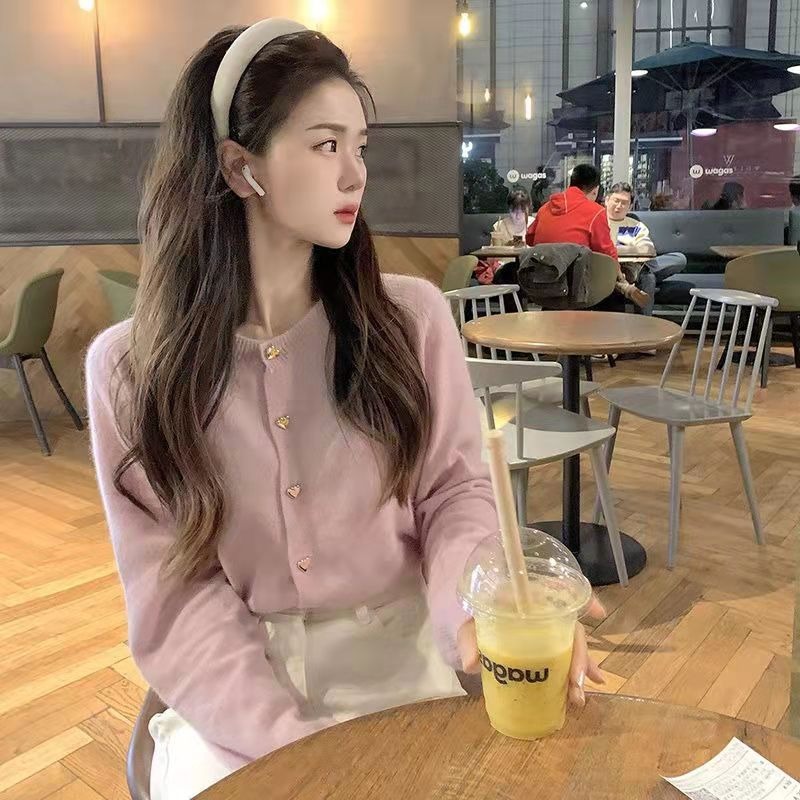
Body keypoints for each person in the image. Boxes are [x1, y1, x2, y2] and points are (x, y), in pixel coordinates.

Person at [84, 19, 602, 800]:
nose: (356, 173)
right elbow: (175, 596)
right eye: (326, 145)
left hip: (403, 663)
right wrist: (296, 750)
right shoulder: (131, 372)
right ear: (239, 167)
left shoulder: (411, 321)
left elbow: (455, 494)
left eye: (360, 146)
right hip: (236, 696)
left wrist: (477, 607)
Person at [526, 163, 648, 308]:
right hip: (578, 293)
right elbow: (607, 252)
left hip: (544, 286)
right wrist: (620, 277)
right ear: (595, 190)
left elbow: (530, 239)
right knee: (613, 291)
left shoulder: (544, 209)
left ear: (571, 182)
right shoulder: (596, 212)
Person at [605, 182, 687, 316]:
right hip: (611, 267)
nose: (619, 206)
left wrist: (633, 254)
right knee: (648, 277)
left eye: (624, 203)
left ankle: (630, 280)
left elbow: (647, 248)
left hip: (637, 266)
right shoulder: (599, 221)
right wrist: (627, 250)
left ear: (630, 206)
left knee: (679, 259)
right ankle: (645, 322)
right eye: (616, 201)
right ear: (607, 200)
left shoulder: (634, 224)